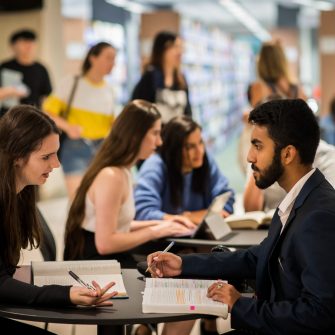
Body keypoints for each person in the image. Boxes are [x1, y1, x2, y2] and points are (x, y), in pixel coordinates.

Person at [148, 99, 335, 334]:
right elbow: (257, 258)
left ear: (287, 154)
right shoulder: (300, 200)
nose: (249, 157)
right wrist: (184, 264)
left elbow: (320, 313)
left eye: (258, 146)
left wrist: (240, 305)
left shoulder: (319, 216)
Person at [0, 105, 116, 333]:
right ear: (17, 157)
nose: (56, 164)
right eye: (46, 157)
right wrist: (65, 294)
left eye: (56, 154)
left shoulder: (21, 194)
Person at [64, 100, 194, 268]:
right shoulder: (111, 177)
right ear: (136, 135)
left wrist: (165, 223)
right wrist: (156, 231)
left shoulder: (123, 171)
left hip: (105, 258)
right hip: (93, 265)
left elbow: (119, 224)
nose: (160, 142)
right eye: (155, 133)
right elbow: (105, 244)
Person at [43, 42, 117, 200]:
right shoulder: (72, 82)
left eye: (114, 58)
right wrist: (68, 127)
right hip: (76, 147)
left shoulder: (109, 89)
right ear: (93, 58)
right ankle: (75, 226)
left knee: (98, 199)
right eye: (108, 57)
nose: (113, 63)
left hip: (102, 148)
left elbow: (111, 123)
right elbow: (47, 112)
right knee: (77, 200)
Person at [135, 116, 235, 226]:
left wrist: (193, 216)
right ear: (174, 149)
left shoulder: (205, 160)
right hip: (164, 240)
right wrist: (184, 219)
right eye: (190, 146)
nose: (199, 151)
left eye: (200, 142)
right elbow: (143, 212)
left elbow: (226, 198)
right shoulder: (154, 166)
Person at [239, 40, 306, 174]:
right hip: (292, 149)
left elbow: (257, 120)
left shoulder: (258, 88)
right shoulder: (297, 89)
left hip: (267, 150)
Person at [132, 31, 192, 124]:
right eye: (175, 47)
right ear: (163, 50)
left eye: (181, 47)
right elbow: (139, 112)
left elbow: (187, 112)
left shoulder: (181, 79)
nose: (180, 52)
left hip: (178, 136)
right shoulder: (150, 77)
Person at [0, 29, 52, 116]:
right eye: (24, 42)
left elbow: (46, 96)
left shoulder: (41, 68)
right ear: (13, 46)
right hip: (8, 116)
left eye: (32, 42)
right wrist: (11, 91)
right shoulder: (4, 67)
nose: (29, 45)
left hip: (33, 116)